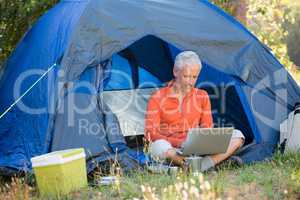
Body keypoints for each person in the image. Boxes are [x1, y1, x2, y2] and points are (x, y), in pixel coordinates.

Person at [144, 51, 245, 171]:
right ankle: (202, 164)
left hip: (195, 147)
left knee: (238, 136)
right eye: (186, 76)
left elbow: (207, 127)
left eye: (194, 77)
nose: (190, 82)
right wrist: (180, 142)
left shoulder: (202, 95)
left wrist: (199, 142)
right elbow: (150, 133)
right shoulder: (157, 97)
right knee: (158, 146)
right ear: (175, 72)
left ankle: (197, 166)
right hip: (171, 148)